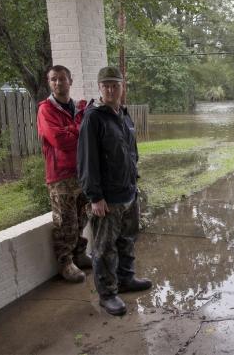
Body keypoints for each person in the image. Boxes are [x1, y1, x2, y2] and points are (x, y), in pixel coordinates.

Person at [77, 66, 152, 316]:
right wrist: (95, 196)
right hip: (107, 199)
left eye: (115, 85)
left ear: (122, 87)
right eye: (105, 85)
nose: (110, 89)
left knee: (127, 239)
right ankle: (107, 294)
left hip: (128, 192)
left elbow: (131, 151)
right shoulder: (94, 118)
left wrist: (134, 179)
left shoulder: (124, 114)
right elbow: (87, 161)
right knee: (104, 247)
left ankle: (126, 279)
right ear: (100, 88)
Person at [37, 65, 92, 283]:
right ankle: (65, 263)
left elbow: (87, 136)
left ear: (70, 80)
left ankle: (79, 254)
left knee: (81, 217)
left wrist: (72, 130)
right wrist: (77, 129)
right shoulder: (46, 110)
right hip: (60, 176)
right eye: (53, 80)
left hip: (81, 172)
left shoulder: (79, 108)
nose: (58, 83)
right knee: (65, 222)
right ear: (49, 83)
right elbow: (59, 141)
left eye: (62, 79)